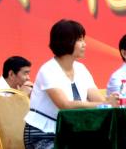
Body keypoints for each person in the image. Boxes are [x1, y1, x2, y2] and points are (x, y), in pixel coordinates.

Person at [23, 20, 118, 149]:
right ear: (66, 41)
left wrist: (109, 101)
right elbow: (65, 105)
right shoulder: (48, 69)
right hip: (43, 134)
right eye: (79, 40)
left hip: (71, 133)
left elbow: (98, 100)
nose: (84, 44)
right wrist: (105, 104)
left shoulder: (81, 69)